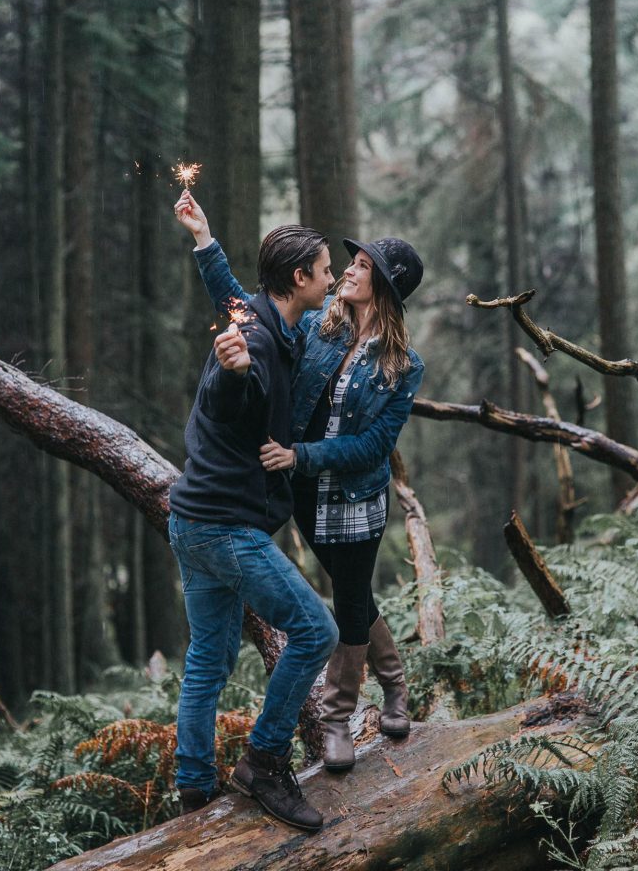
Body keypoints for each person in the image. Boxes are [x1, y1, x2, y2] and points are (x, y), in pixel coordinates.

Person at [175, 190, 424, 773]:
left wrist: (299, 455)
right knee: (354, 598)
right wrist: (205, 242)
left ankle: (337, 718)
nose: (346, 273)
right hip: (305, 495)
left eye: (361, 267)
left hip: (354, 498)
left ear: (385, 288)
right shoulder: (316, 326)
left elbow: (375, 446)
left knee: (348, 602)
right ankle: (395, 683)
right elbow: (245, 308)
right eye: (345, 264)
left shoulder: (403, 365)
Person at [168, 222, 339, 831]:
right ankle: (264, 764)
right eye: (325, 271)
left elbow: (228, 291)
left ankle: (193, 793)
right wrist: (235, 372)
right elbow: (229, 401)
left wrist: (205, 240)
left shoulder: (264, 315)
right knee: (316, 631)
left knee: (208, 662)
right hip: (225, 528)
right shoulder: (256, 341)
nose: (332, 279)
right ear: (300, 278)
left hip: (191, 522)